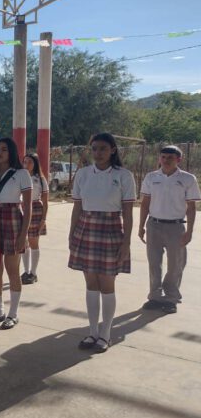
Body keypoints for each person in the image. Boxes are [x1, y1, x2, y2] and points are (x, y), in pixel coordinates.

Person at [68, 133, 135, 353]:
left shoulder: (124, 176)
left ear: (113, 150)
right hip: (86, 230)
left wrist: (126, 243)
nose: (98, 153)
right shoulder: (84, 174)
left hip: (111, 231)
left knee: (107, 285)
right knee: (90, 285)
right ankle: (92, 332)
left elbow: (127, 212)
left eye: (103, 149)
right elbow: (77, 207)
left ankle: (105, 335)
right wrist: (72, 235)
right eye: (95, 148)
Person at [138, 145, 200, 314]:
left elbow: (191, 207)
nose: (166, 161)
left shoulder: (188, 179)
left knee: (176, 265)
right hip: (154, 225)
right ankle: (155, 297)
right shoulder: (151, 177)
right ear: (159, 158)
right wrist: (141, 226)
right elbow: (145, 204)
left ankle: (171, 298)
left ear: (178, 160)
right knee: (154, 264)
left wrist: (189, 231)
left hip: (176, 227)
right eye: (163, 157)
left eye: (170, 158)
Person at [0, 138, 32, 330]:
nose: (0, 153)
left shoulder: (21, 174)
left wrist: (23, 235)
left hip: (12, 220)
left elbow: (27, 207)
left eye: (4, 149)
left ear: (11, 152)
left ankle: (13, 314)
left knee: (12, 269)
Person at [21, 153, 49, 284]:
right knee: (23, 243)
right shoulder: (19, 177)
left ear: (35, 164)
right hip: (21, 209)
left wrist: (43, 219)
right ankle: (25, 271)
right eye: (25, 162)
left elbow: (45, 201)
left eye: (30, 162)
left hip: (36, 210)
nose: (27, 164)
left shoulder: (40, 179)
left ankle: (33, 273)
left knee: (33, 243)